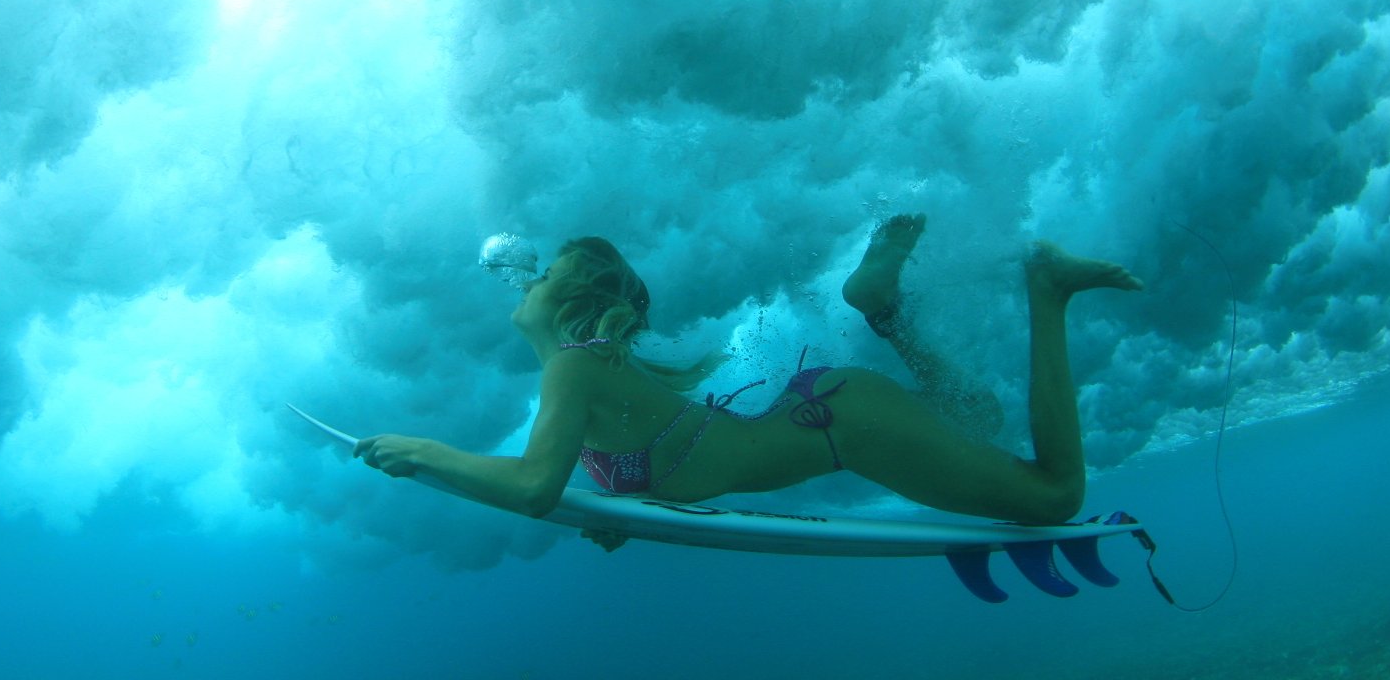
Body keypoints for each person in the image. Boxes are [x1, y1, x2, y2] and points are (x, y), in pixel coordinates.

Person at [351, 214, 1143, 535]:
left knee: (1054, 495)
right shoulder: (583, 374)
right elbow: (658, 466)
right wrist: (627, 521)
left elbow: (534, 488)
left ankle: (1047, 286)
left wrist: (424, 451)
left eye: (545, 271)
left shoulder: (572, 372)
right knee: (977, 416)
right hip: (831, 414)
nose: (522, 276)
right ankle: (882, 309)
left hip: (843, 423)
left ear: (573, 304)